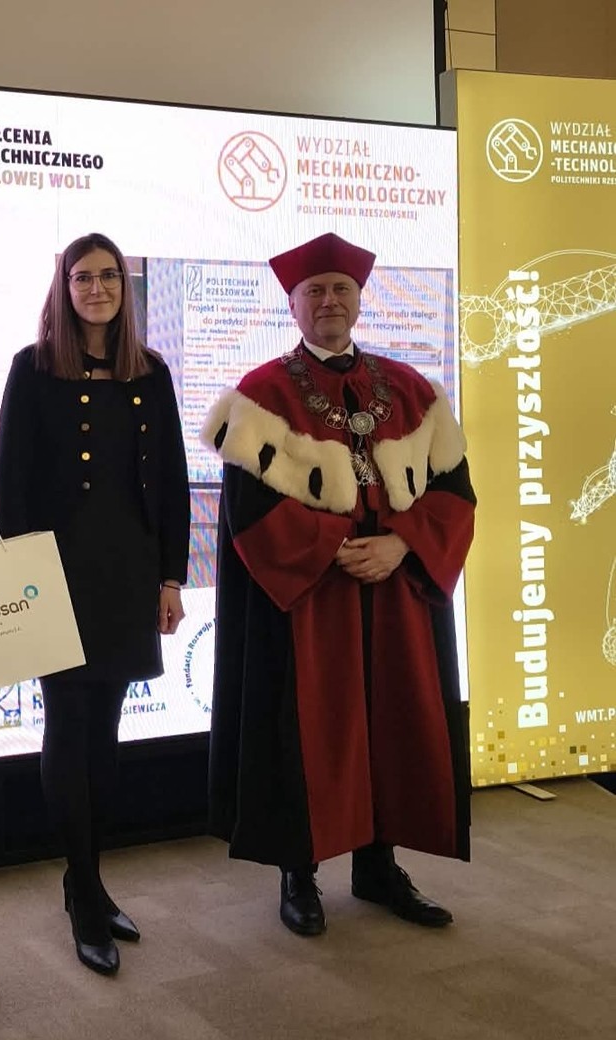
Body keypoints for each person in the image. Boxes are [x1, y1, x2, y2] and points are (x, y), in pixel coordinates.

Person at [202, 232, 474, 937]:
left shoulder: (412, 392)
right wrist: (335, 549)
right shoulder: (261, 397)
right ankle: (299, 873)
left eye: (340, 290)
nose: (329, 301)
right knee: (311, 733)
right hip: (308, 603)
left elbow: (454, 495)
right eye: (314, 291)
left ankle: (378, 868)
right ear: (292, 304)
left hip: (395, 595)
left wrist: (402, 544)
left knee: (390, 727)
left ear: (358, 299)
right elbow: (249, 513)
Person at [0, 233, 189, 975]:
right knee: (67, 728)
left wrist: (169, 579)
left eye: (109, 276)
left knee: (104, 734)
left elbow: (170, 482)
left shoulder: (150, 372)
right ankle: (82, 892)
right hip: (56, 576)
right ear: (64, 287)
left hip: (128, 576)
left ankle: (91, 883)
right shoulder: (33, 367)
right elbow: (10, 484)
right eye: (83, 277)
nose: (97, 288)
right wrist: (27, 578)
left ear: (124, 289)